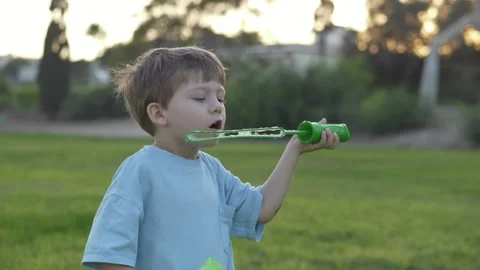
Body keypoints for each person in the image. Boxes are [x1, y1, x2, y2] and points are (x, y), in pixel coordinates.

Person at [81, 46, 340, 270]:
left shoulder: (212, 171)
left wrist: (294, 149)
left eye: (220, 97)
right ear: (159, 114)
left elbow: (261, 208)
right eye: (200, 97)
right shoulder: (140, 171)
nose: (216, 106)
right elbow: (111, 251)